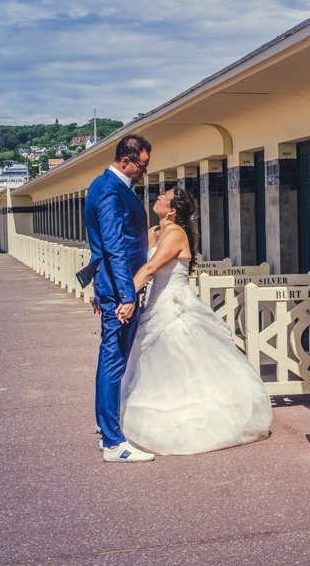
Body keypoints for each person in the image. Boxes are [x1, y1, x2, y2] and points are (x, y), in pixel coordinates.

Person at [119, 186, 272, 455]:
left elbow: (151, 268)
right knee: (152, 362)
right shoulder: (155, 231)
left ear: (173, 210)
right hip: (154, 304)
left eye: (163, 198)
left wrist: (125, 297)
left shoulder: (175, 234)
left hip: (175, 306)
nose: (157, 198)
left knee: (180, 359)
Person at [84, 134, 155, 462]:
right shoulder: (111, 190)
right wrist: (126, 295)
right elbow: (112, 245)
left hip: (111, 286)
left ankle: (105, 431)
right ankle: (114, 443)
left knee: (109, 358)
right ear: (125, 161)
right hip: (119, 290)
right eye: (142, 165)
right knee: (114, 359)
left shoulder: (101, 185)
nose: (144, 171)